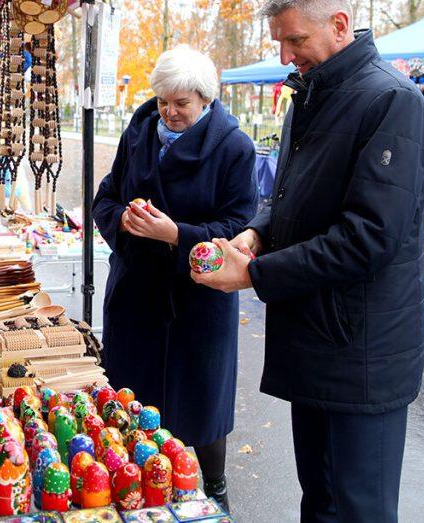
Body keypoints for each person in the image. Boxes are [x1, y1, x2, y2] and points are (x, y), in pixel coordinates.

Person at [193, 0, 424, 522]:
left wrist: (255, 276)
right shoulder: (311, 97)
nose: (285, 55)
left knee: (360, 508)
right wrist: (258, 231)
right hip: (319, 342)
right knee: (320, 501)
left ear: (339, 25)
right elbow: (292, 196)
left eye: (295, 40)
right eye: (279, 40)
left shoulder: (392, 102)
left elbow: (367, 236)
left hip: (363, 350)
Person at [93, 45, 258, 509]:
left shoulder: (234, 148)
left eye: (181, 103)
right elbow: (107, 194)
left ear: (205, 99)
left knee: (200, 404)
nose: (170, 111)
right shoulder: (140, 131)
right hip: (136, 290)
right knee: (131, 400)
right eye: (164, 100)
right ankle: (130, 489)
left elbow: (240, 224)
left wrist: (176, 234)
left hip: (197, 299)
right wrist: (124, 221)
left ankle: (216, 488)